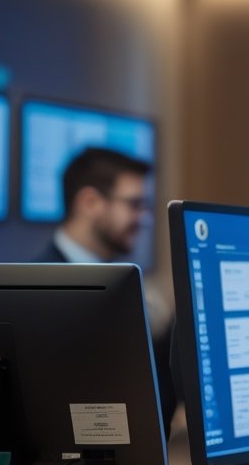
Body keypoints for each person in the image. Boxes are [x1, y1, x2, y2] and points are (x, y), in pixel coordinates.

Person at [34, 146, 176, 430]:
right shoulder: (38, 293)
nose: (144, 218)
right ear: (89, 202)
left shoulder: (127, 285)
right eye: (134, 204)